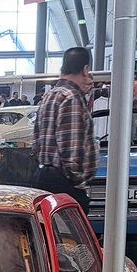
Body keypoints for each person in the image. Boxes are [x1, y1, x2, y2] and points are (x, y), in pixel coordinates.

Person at [30, 47, 97, 209]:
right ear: (85, 69)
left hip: (44, 178)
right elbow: (71, 150)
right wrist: (79, 182)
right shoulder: (71, 98)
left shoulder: (50, 96)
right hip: (65, 187)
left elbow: (36, 141)